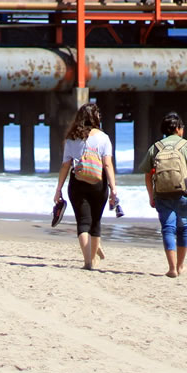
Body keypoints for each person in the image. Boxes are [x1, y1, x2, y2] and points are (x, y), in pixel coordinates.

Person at [138, 112, 187, 278]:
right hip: (182, 193)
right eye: (182, 127)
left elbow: (147, 175)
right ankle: (180, 266)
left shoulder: (155, 147)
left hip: (161, 194)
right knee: (183, 229)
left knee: (168, 229)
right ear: (177, 128)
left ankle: (172, 268)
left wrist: (151, 195)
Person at [53, 103, 118, 270]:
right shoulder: (103, 138)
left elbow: (65, 166)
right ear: (96, 117)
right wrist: (113, 188)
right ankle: (94, 259)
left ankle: (87, 262)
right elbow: (108, 165)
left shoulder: (72, 138)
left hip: (77, 183)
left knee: (82, 223)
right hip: (98, 183)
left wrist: (58, 189)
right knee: (95, 223)